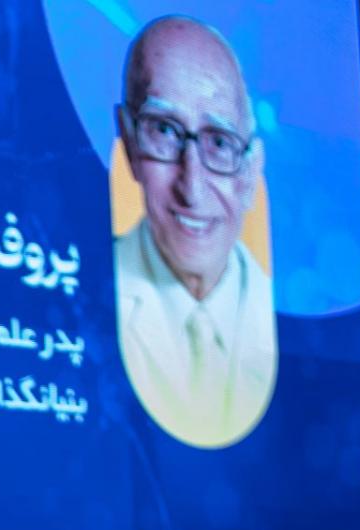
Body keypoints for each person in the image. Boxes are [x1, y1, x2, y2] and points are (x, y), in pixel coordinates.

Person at [113, 15, 276, 449]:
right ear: (128, 140)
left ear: (251, 170)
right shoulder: (85, 300)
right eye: (164, 132)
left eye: (219, 142)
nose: (193, 187)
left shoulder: (299, 335)